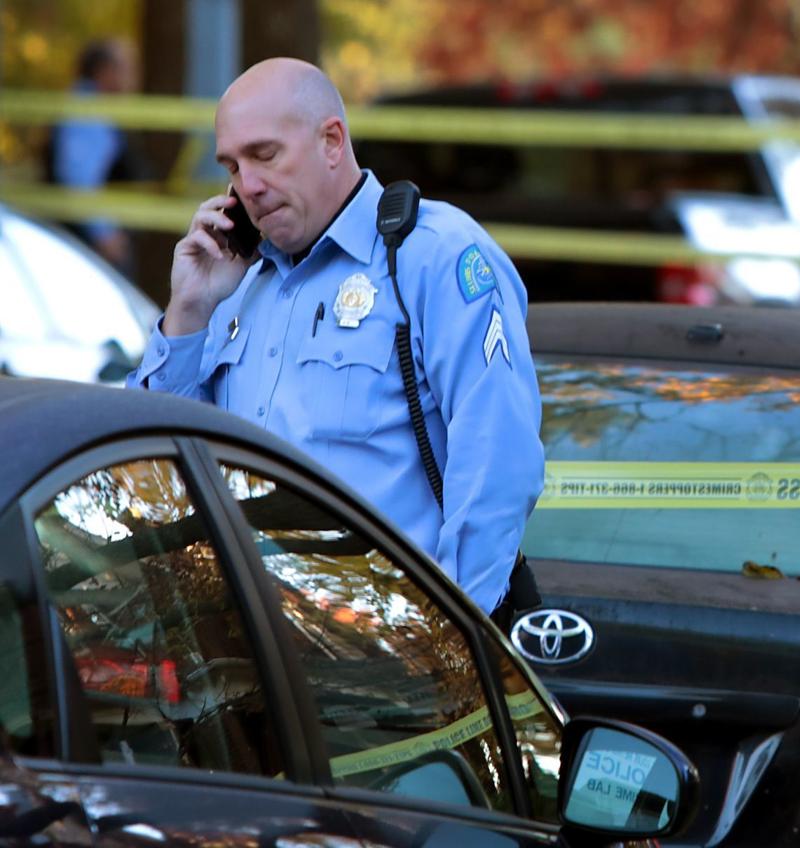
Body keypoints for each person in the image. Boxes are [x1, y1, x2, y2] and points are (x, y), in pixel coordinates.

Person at [127, 58, 544, 627]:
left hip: (393, 657)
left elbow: (498, 463)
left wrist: (454, 635)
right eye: (231, 165)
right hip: (255, 653)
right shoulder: (235, 282)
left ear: (331, 140)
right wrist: (189, 311)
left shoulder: (431, 256)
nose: (247, 186)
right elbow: (162, 464)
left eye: (265, 155)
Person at [48, 38, 147, 274]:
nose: (134, 77)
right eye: (127, 68)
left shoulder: (98, 110)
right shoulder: (86, 113)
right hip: (89, 246)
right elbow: (79, 178)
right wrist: (105, 235)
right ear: (105, 72)